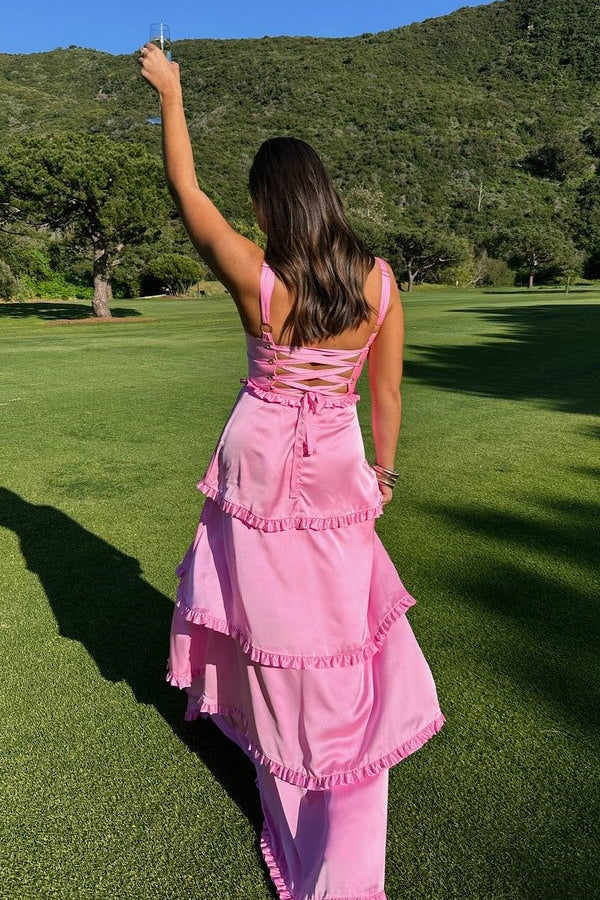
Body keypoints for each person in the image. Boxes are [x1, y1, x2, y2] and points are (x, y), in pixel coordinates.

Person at [139, 42, 446, 900]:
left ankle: (287, 743)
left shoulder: (256, 274)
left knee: (270, 618)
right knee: (336, 624)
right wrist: (386, 474)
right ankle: (333, 747)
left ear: (268, 203)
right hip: (340, 461)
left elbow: (185, 191)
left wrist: (171, 95)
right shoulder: (379, 282)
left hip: (261, 457)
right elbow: (386, 393)